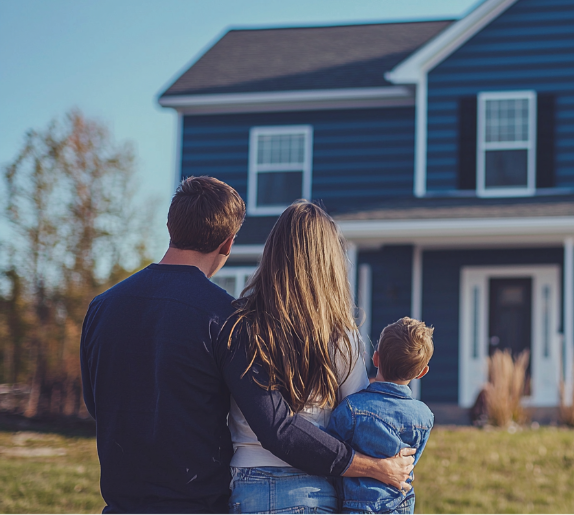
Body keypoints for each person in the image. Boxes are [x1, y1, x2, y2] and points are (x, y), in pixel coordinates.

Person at [80, 177, 413, 514]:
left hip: (120, 503)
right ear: (228, 243)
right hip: (197, 502)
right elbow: (276, 425)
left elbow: (97, 405)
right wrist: (372, 467)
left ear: (170, 225)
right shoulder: (225, 319)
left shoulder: (102, 307)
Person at [227, 199, 393, 513]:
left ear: (273, 254)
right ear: (329, 262)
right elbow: (360, 417)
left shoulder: (241, 325)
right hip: (310, 492)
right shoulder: (339, 335)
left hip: (246, 488)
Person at [328, 317, 435, 515]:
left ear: (375, 358)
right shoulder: (425, 417)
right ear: (422, 372)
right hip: (400, 504)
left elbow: (330, 454)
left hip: (356, 505)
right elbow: (409, 463)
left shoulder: (351, 408)